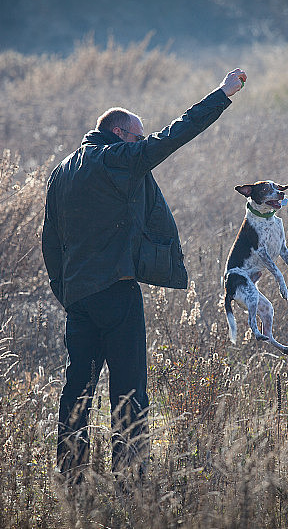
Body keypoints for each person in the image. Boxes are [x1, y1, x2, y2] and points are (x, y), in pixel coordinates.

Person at [42, 68, 247, 478]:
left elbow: (49, 241)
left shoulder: (61, 172)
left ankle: (70, 476)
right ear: (119, 134)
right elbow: (174, 134)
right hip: (117, 293)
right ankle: (130, 478)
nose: (142, 143)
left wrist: (68, 294)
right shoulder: (118, 159)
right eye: (137, 136)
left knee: (76, 390)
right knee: (130, 390)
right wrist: (223, 93)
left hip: (79, 298)